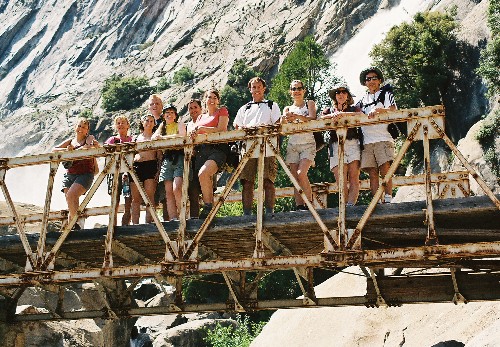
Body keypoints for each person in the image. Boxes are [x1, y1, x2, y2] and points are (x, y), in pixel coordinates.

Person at [233, 77, 281, 215]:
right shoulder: (244, 108)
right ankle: (247, 214)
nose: (256, 89)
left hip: (268, 147)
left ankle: (269, 212)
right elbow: (237, 126)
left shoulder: (272, 105)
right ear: (250, 90)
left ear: (264, 88)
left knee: (268, 180)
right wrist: (244, 128)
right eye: (254, 87)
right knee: (247, 182)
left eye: (259, 86)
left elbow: (278, 124)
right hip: (248, 148)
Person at [357, 67, 397, 203]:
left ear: (379, 80)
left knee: (385, 168)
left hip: (383, 138)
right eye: (368, 79)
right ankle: (376, 201)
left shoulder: (386, 94)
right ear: (365, 83)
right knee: (372, 172)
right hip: (367, 141)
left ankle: (388, 197)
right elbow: (355, 112)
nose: (371, 81)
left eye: (374, 78)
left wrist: (381, 110)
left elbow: (393, 110)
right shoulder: (362, 99)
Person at [187, 89, 229, 219]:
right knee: (201, 180)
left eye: (215, 97)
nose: (212, 99)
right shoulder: (200, 117)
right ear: (205, 100)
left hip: (217, 149)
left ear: (218, 100)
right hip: (201, 150)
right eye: (209, 97)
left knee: (204, 173)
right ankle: (209, 210)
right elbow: (196, 132)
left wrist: (202, 129)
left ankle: (208, 206)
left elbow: (221, 129)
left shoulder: (222, 111)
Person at [53, 117, 100, 230]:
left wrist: (73, 151)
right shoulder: (70, 141)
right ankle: (74, 227)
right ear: (75, 127)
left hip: (85, 174)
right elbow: (54, 149)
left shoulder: (89, 138)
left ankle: (75, 224)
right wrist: (67, 150)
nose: (80, 129)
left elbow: (87, 148)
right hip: (70, 174)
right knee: (71, 203)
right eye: (79, 126)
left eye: (83, 127)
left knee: (71, 195)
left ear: (87, 130)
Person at [321, 84, 361, 206]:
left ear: (348, 95)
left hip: (353, 142)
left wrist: (345, 115)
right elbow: (320, 119)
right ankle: (344, 207)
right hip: (335, 144)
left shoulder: (354, 109)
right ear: (335, 96)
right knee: (341, 178)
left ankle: (351, 205)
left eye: (344, 92)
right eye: (338, 92)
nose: (341, 94)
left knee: (354, 176)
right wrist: (332, 116)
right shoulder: (329, 110)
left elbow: (361, 115)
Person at [281, 80, 316, 211]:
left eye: (299, 88)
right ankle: (299, 206)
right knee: (295, 177)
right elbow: (283, 126)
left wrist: (298, 116)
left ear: (304, 90)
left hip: (307, 143)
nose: (297, 91)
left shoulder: (309, 103)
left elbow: (313, 118)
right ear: (290, 92)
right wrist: (284, 118)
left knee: (301, 173)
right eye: (294, 89)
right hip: (293, 145)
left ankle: (309, 203)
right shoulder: (287, 108)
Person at [152, 104, 186, 221]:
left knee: (177, 188)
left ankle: (182, 215)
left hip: (179, 156)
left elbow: (181, 136)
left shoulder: (179, 124)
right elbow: (154, 138)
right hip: (167, 158)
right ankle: (173, 218)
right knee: (168, 191)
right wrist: (161, 137)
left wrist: (164, 138)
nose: (169, 114)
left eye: (172, 112)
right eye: (167, 112)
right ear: (163, 115)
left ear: (175, 115)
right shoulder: (163, 126)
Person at [131, 114, 162, 224]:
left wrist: (158, 171)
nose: (149, 123)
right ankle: (134, 225)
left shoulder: (155, 137)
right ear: (142, 123)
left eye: (151, 121)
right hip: (136, 167)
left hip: (151, 165)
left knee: (150, 197)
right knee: (135, 199)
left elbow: (159, 156)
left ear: (154, 124)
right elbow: (130, 155)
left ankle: (148, 223)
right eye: (146, 120)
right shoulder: (135, 138)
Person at [105, 115, 133, 226]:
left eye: (123, 122)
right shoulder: (112, 140)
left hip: (127, 173)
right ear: (116, 126)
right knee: (114, 199)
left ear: (128, 125)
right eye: (118, 123)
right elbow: (106, 150)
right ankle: (113, 225)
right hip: (114, 173)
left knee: (128, 199)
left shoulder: (131, 139)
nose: (120, 125)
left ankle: (125, 225)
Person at [185, 99, 203, 219]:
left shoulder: (205, 120)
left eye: (195, 107)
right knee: (193, 192)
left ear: (201, 108)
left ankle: (210, 219)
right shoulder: (188, 125)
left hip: (204, 156)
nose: (193, 110)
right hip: (192, 160)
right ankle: (194, 220)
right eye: (190, 108)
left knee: (208, 191)